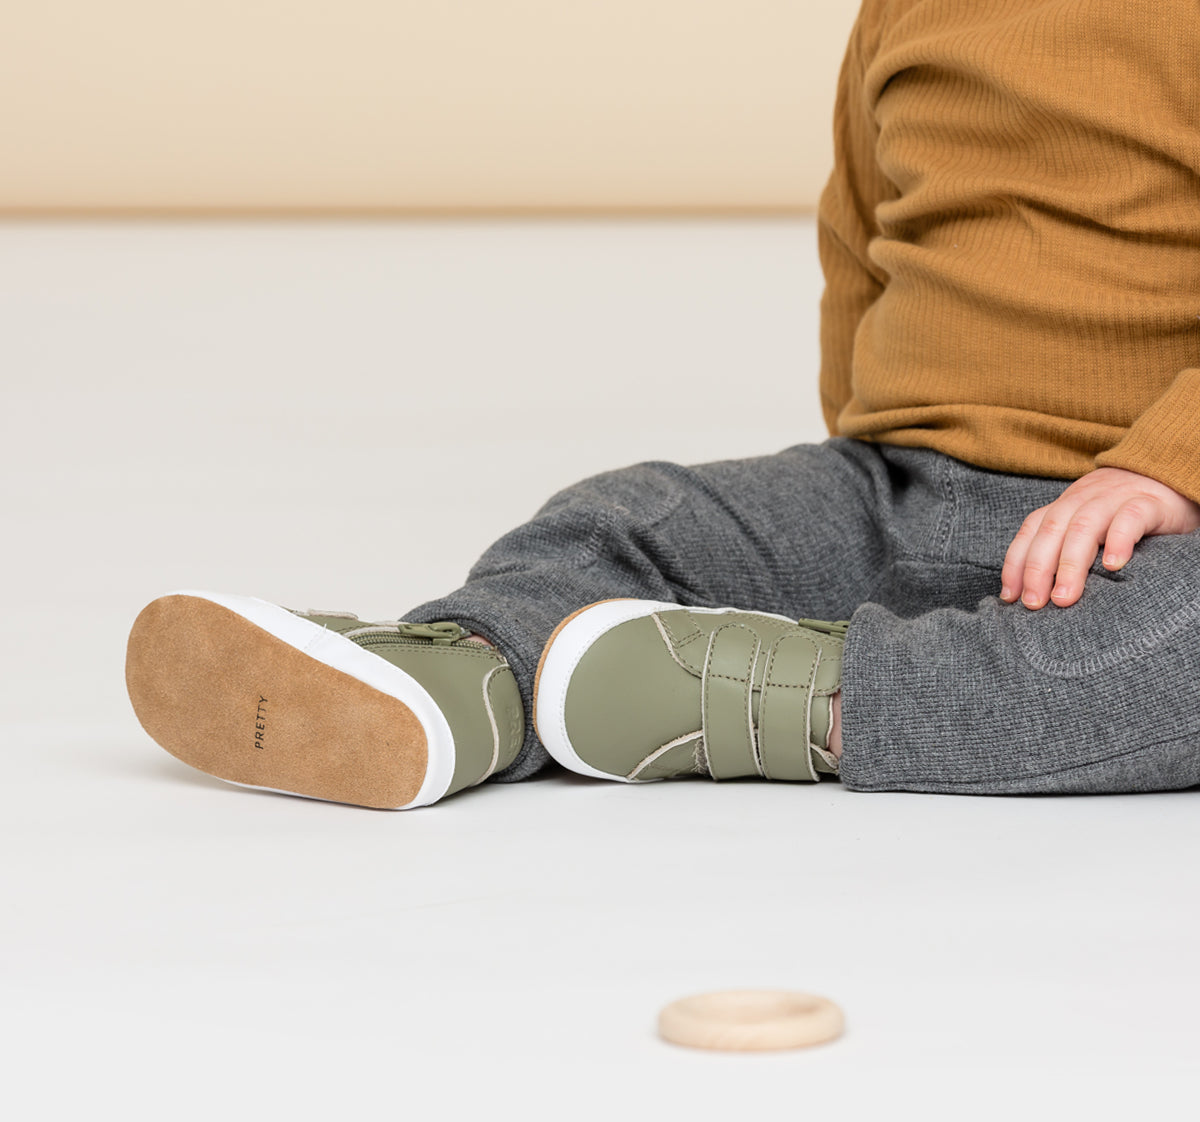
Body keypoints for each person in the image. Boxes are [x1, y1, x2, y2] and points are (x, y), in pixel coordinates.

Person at [125, 0, 1200, 809]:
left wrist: (1167, 467)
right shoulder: (905, 12)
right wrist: (844, 467)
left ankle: (772, 696)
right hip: (901, 477)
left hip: (1149, 531)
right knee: (636, 513)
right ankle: (474, 680)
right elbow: (858, 236)